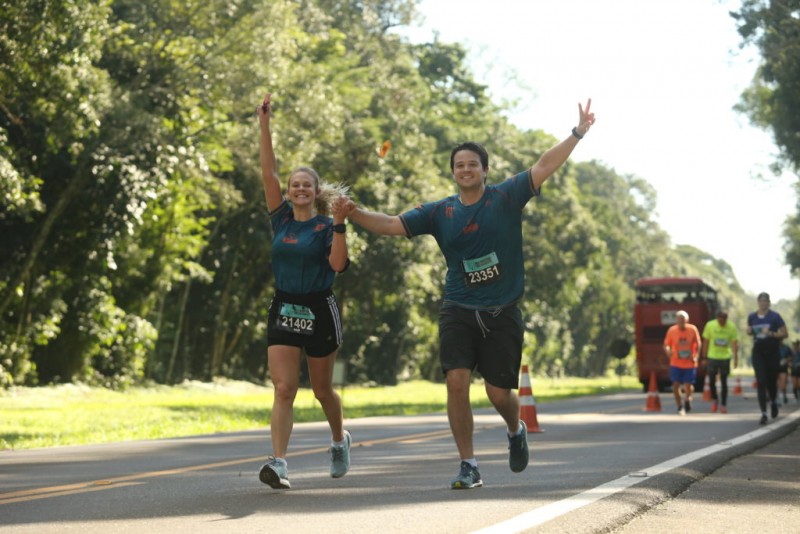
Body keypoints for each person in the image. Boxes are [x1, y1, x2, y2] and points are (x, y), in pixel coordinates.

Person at [335, 100, 596, 489]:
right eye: (459, 165)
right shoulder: (440, 212)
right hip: (457, 307)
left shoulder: (506, 197)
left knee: (498, 393)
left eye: (473, 163)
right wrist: (351, 214)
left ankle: (514, 428)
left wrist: (576, 133)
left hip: (502, 310)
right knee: (456, 381)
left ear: (484, 170)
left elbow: (543, 165)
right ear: (453, 172)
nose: (466, 169)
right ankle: (468, 465)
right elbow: (391, 224)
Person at [256, 93, 352, 489]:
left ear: (315, 191)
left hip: (318, 309)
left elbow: (338, 266)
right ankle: (278, 462)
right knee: (283, 387)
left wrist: (342, 225)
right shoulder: (280, 220)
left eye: (305, 185)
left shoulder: (328, 225)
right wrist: (264, 125)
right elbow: (268, 173)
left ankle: (337, 439)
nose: (298, 189)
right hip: (284, 306)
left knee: (323, 390)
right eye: (294, 184)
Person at [747, 292, 787, 425]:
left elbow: (784, 333)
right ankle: (764, 413)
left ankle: (774, 401)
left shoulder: (775, 317)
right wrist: (749, 331)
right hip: (758, 352)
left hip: (772, 352)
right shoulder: (752, 317)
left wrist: (771, 333)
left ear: (769, 303)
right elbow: (749, 330)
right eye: (761, 301)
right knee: (761, 380)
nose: (763, 303)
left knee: (771, 380)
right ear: (758, 302)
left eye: (766, 301)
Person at [663, 310, 702, 415]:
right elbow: (666, 344)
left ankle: (688, 398)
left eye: (683, 320)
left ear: (687, 320)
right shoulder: (672, 330)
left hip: (689, 362)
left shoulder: (692, 329)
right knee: (675, 385)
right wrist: (668, 351)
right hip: (675, 362)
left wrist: (696, 356)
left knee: (688, 385)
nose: (681, 322)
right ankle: (680, 406)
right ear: (676, 320)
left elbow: (698, 343)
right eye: (679, 320)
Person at [701, 310, 739, 413]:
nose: (722, 321)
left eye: (724, 319)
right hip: (712, 356)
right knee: (712, 380)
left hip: (725, 357)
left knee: (724, 381)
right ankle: (715, 400)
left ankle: (723, 404)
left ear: (727, 319)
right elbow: (705, 341)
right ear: (717, 318)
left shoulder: (731, 326)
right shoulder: (710, 325)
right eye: (720, 319)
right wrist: (704, 357)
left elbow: (735, 343)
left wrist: (736, 359)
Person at [777, 340, 791, 404]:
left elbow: (791, 356)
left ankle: (784, 395)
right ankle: (777, 397)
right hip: (774, 368)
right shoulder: (773, 347)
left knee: (783, 383)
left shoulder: (787, 348)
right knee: (776, 383)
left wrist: (785, 360)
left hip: (783, 368)